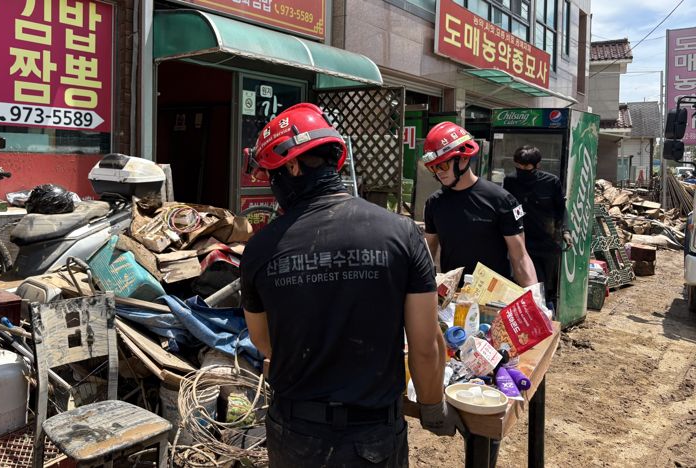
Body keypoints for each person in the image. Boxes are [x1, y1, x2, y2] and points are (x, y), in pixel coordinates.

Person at [240, 103, 461, 467]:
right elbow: (426, 345)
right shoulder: (401, 233)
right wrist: (432, 408)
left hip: (295, 435)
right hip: (372, 437)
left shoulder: (261, 248)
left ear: (293, 166)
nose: (274, 184)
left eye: (274, 174)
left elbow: (264, 342)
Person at [422, 122, 537, 287]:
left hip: (493, 300)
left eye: (443, 165)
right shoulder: (434, 202)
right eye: (433, 168)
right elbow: (428, 253)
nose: (439, 172)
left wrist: (533, 296)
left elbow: (519, 257)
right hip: (452, 300)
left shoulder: (502, 200)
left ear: (464, 158)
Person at [502, 145, 573, 307]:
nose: (522, 170)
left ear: (537, 165)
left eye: (526, 167)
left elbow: (561, 210)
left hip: (548, 242)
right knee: (526, 285)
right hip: (521, 241)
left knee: (547, 286)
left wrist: (566, 231)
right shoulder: (510, 181)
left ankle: (548, 316)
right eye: (518, 166)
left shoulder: (551, 182)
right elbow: (505, 208)